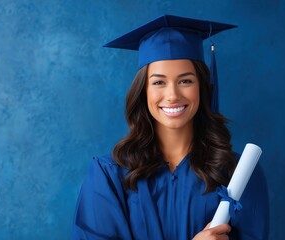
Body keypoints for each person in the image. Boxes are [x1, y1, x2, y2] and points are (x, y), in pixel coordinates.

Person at [72, 15, 269, 240]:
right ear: (143, 91)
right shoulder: (108, 176)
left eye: (185, 81)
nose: (173, 95)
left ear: (202, 88)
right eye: (158, 82)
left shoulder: (239, 174)